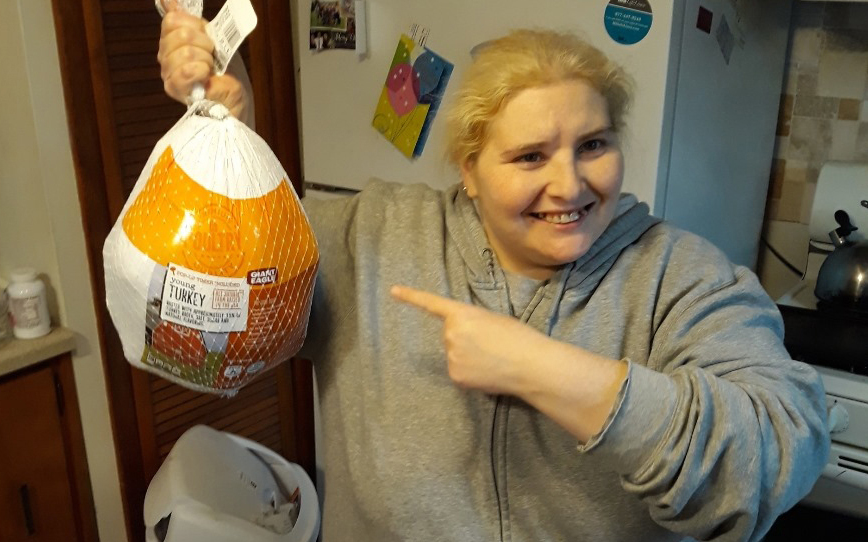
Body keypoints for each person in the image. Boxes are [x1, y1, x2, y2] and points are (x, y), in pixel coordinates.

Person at [157, 12, 829, 542]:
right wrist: (226, 137)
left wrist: (543, 369)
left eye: (594, 145)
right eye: (530, 156)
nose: (570, 184)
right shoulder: (368, 236)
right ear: (470, 170)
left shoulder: (680, 276)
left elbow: (776, 457)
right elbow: (206, 323)